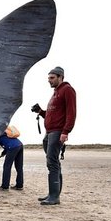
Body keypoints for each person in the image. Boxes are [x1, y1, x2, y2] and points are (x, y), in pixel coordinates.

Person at [31, 66, 76, 205]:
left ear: (60, 77)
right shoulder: (56, 92)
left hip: (57, 132)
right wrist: (41, 112)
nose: (49, 81)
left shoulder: (67, 90)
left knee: (52, 162)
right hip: (49, 132)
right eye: (48, 78)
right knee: (54, 162)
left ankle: (54, 196)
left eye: (52, 78)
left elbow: (71, 113)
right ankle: (53, 193)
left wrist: (65, 132)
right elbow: (53, 115)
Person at [0, 124, 24, 190]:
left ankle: (5, 186)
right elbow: (6, 142)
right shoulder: (4, 131)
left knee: (7, 167)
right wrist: (4, 152)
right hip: (20, 145)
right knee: (19, 167)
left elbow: (8, 143)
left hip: (12, 147)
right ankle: (19, 186)